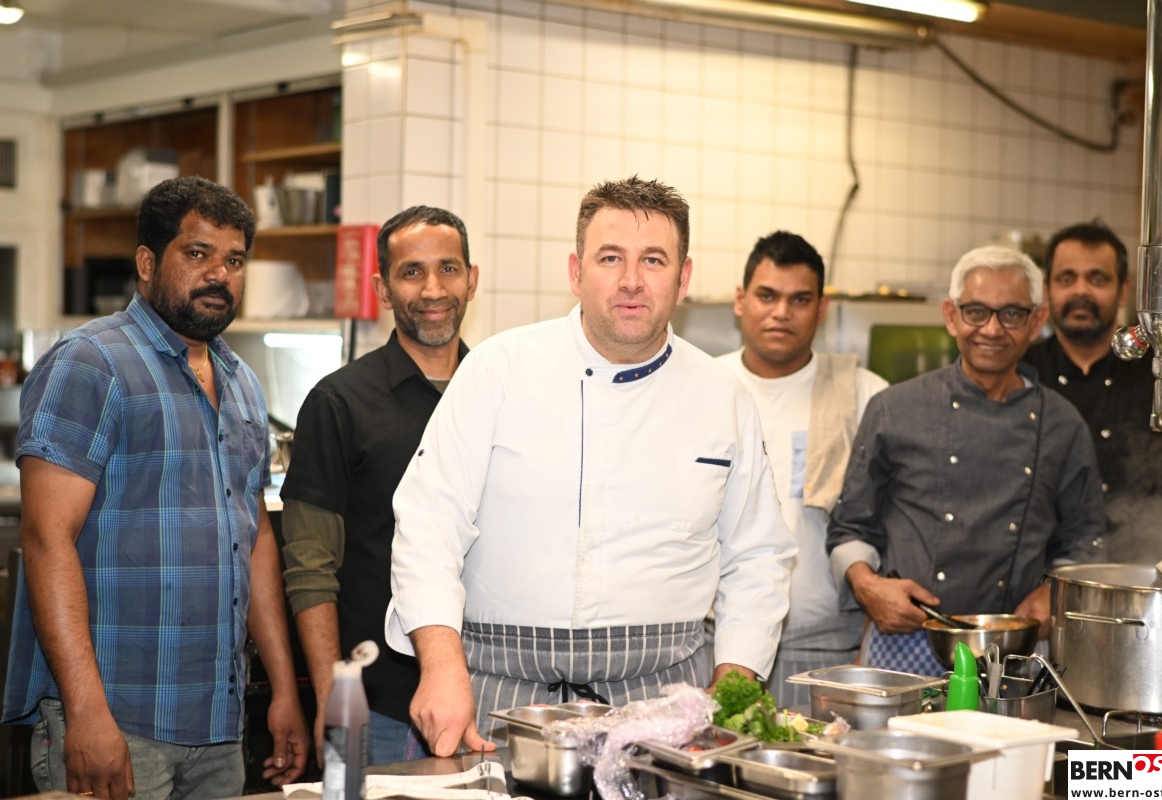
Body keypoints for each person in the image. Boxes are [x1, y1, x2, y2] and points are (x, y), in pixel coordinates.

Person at [386, 176, 795, 756]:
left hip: (661, 700)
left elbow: (758, 555)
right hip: (496, 694)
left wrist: (734, 681)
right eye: (610, 258)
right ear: (576, 273)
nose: (631, 280)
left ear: (683, 278)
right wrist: (440, 666)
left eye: (653, 260)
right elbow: (430, 523)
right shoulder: (498, 370)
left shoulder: (722, 396)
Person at [3, 176, 308, 800]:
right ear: (147, 263)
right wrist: (87, 713)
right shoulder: (91, 362)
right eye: (197, 253)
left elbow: (254, 541)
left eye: (234, 260)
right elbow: (45, 539)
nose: (219, 274)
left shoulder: (242, 383)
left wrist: (282, 689)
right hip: (118, 720)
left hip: (219, 724)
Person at [826, 245, 1106, 676]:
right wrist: (868, 586)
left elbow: (1084, 538)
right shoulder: (893, 408)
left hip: (1013, 647)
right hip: (908, 639)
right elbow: (849, 527)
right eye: (976, 311)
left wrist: (1056, 595)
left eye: (1012, 314)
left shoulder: (1062, 424)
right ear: (951, 315)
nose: (992, 329)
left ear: (1037, 322)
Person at [280, 205, 478, 767]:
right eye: (412, 272)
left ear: (472, 279)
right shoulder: (338, 402)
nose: (433, 289)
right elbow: (310, 566)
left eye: (448, 269)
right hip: (379, 708)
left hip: (484, 693)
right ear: (383, 289)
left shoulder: (499, 394)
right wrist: (331, 696)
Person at [717, 231, 886, 707]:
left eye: (800, 299)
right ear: (740, 299)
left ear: (822, 308)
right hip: (714, 644)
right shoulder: (705, 386)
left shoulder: (865, 395)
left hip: (830, 646)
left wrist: (869, 646)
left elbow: (896, 526)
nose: (781, 312)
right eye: (767, 295)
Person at [1022, 221, 1162, 563]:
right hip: (1041, 573)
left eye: (1097, 279)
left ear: (1124, 291)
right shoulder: (1022, 374)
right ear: (1047, 290)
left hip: (1143, 565)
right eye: (1066, 279)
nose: (1081, 291)